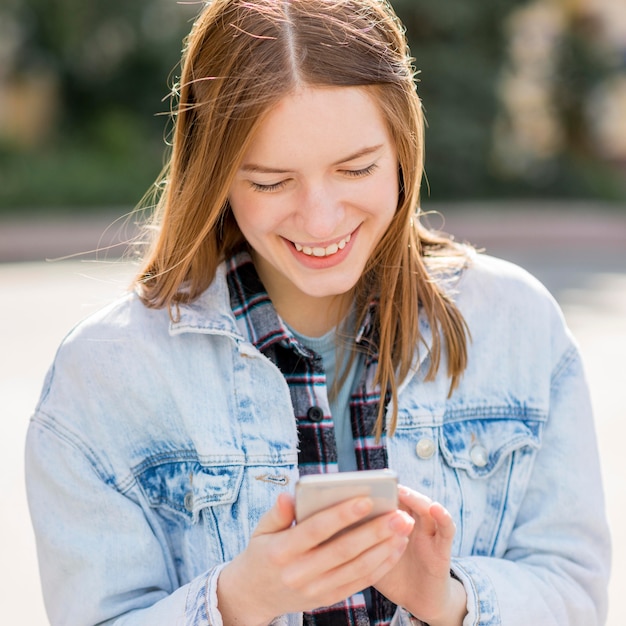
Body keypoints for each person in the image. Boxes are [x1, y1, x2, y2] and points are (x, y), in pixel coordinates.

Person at [25, 1, 611, 625]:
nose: (322, 219)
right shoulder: (104, 376)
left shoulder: (518, 326)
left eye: (356, 169)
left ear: (404, 150)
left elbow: (574, 592)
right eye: (271, 182)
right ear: (215, 176)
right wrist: (238, 602)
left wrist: (451, 600)